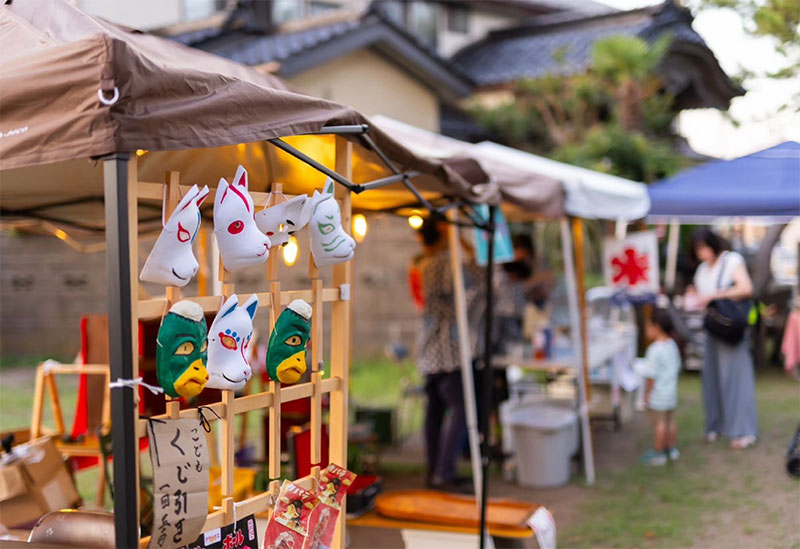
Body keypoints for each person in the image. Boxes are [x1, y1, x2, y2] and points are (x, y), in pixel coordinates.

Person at [414, 216, 481, 492]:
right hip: (447, 350)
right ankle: (444, 472)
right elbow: (478, 273)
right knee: (461, 410)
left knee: (435, 411)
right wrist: (461, 241)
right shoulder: (444, 263)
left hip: (430, 348)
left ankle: (436, 470)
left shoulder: (421, 264)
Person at [689, 228, 758, 449]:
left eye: (704, 246)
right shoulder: (701, 270)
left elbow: (746, 288)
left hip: (731, 329)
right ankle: (716, 425)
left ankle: (744, 430)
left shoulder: (731, 260)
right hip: (713, 329)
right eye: (697, 248)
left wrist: (715, 296)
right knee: (712, 379)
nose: (701, 252)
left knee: (737, 379)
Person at [640, 309, 681, 466]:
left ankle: (659, 453)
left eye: (648, 326)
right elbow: (677, 367)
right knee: (670, 421)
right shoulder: (672, 346)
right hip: (671, 393)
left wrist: (647, 395)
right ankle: (671, 449)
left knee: (660, 424)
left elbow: (651, 377)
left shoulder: (654, 350)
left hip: (659, 395)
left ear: (656, 327)